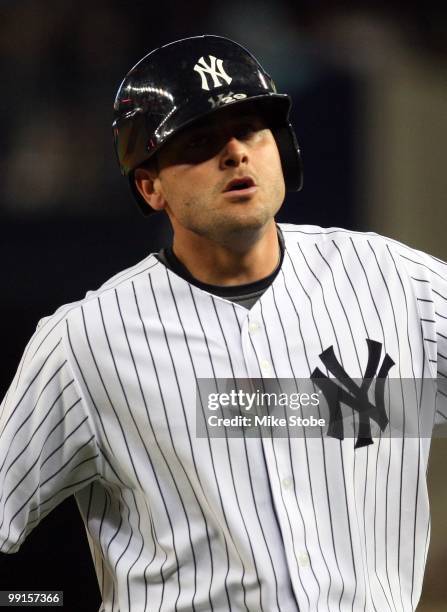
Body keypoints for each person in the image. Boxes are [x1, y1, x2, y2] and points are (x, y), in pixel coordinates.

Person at [0, 34, 446, 612]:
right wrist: (37, 602)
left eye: (251, 130)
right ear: (149, 186)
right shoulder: (87, 340)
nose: (235, 152)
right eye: (199, 142)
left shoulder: (396, 283)